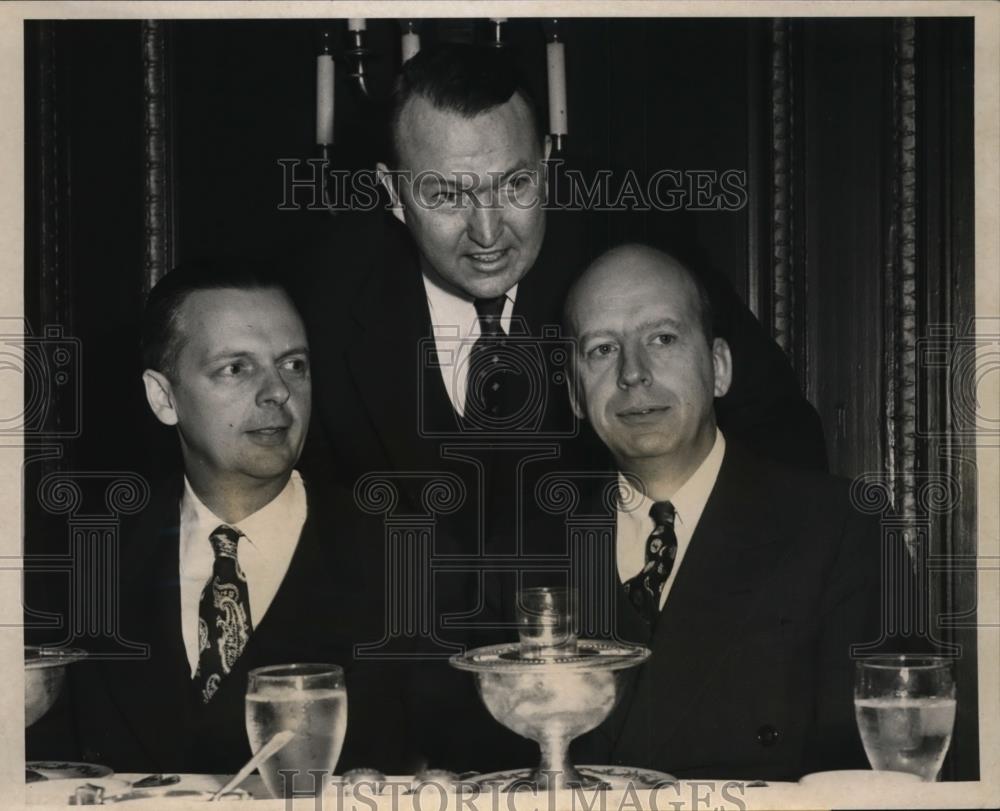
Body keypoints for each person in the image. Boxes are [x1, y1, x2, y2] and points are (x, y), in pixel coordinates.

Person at [292, 42, 827, 770]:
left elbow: (781, 433)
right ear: (392, 191)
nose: (488, 233)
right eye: (448, 195)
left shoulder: (629, 257)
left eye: (513, 184)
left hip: (614, 726)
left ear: (546, 160)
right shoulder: (325, 293)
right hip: (404, 735)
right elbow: (304, 528)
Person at [37, 260, 407, 778]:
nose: (277, 391)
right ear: (164, 398)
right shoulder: (76, 567)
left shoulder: (407, 559)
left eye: (294, 364)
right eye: (236, 368)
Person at [560, 244, 882, 780]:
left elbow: (868, 779)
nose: (632, 374)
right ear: (574, 391)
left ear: (718, 368)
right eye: (601, 349)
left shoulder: (839, 533)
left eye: (662, 339)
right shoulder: (519, 553)